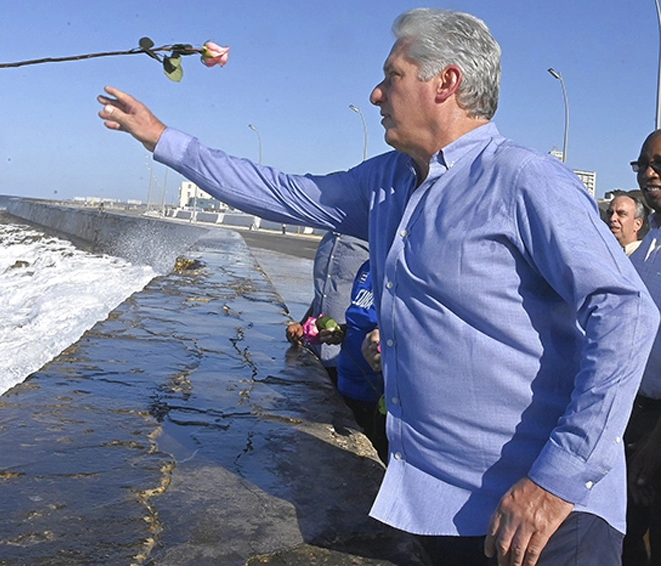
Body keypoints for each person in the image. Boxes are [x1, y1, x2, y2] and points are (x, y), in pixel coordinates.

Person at [97, 8, 658, 565]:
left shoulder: (524, 179)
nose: (375, 94)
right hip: (439, 508)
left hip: (544, 517)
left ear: (447, 82)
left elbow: (626, 314)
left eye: (392, 76)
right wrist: (161, 138)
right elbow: (276, 190)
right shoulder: (387, 181)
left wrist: (557, 480)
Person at [623, 131, 661, 565]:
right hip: (636, 418)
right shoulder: (647, 240)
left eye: (660, 164)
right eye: (643, 164)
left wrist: (656, 445)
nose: (650, 173)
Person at [320, 259, 388, 463]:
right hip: (345, 387)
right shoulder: (368, 266)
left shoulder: (408, 271)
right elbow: (358, 320)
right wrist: (341, 332)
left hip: (375, 399)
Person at [286, 231, 369, 384]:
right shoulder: (328, 239)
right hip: (315, 350)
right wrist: (303, 324)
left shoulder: (369, 240)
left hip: (349, 359)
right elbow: (324, 293)